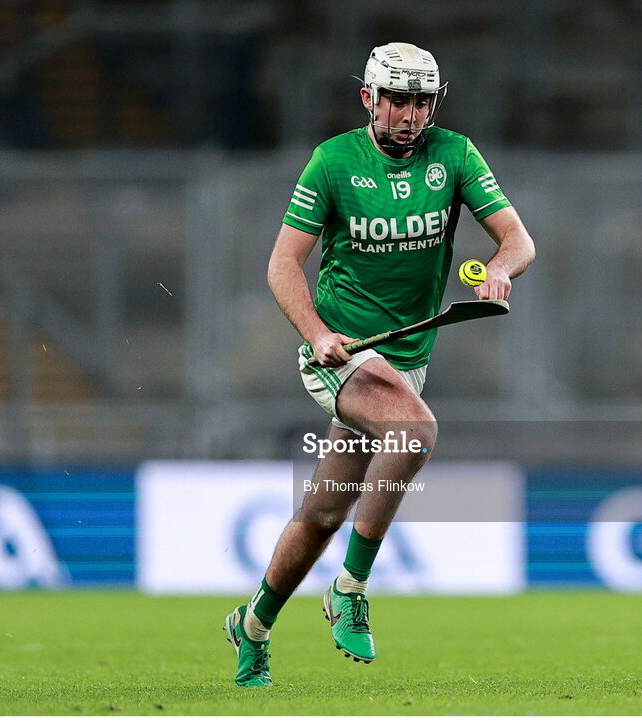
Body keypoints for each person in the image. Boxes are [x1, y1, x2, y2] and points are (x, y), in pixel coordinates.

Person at [224, 42, 536, 686]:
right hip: (341, 355)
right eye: (397, 99)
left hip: (406, 359)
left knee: (320, 513)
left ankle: (251, 624)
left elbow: (517, 239)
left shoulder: (454, 154)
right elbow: (282, 265)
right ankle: (351, 587)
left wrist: (500, 272)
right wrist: (316, 333)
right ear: (369, 98)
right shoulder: (333, 162)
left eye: (422, 101)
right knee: (417, 430)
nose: (410, 115)